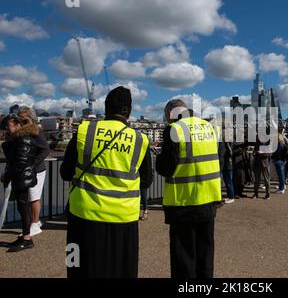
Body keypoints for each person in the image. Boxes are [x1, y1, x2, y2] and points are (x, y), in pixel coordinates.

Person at [60, 87, 153, 278]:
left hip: (83, 214)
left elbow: (65, 172)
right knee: (122, 270)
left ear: (106, 107)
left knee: (76, 264)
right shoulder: (139, 139)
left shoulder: (85, 130)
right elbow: (146, 180)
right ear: (129, 110)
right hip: (123, 216)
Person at [156, 99, 222, 278]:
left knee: (184, 260)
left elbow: (166, 168)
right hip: (209, 200)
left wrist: (159, 159)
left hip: (183, 203)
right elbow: (219, 160)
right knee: (205, 256)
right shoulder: (209, 128)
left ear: (171, 113)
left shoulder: (175, 130)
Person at [1, 115, 38, 252]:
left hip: (22, 178)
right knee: (23, 208)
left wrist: (7, 176)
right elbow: (15, 160)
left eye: (8, 126)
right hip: (22, 177)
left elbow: (20, 163)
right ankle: (25, 236)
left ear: (17, 125)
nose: (6, 129)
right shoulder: (20, 139)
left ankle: (27, 239)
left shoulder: (23, 139)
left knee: (24, 208)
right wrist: (8, 142)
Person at [18, 106, 50, 236]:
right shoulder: (24, 131)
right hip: (29, 169)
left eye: (22, 117)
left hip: (37, 170)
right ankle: (34, 223)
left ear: (30, 117)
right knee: (30, 197)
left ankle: (35, 224)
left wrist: (32, 163)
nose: (20, 119)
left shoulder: (36, 130)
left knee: (33, 197)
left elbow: (45, 149)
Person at [220, 138, 235, 204]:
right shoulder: (226, 143)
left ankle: (231, 197)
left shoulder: (228, 144)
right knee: (227, 181)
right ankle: (229, 196)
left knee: (229, 182)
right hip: (226, 165)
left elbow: (230, 153)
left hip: (228, 165)